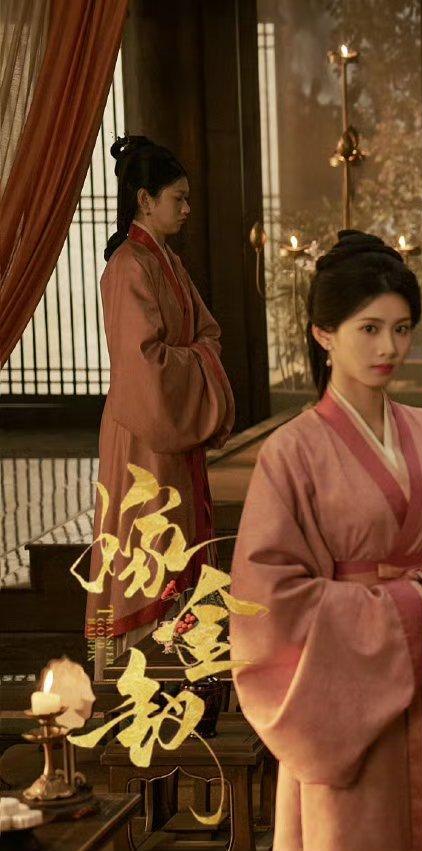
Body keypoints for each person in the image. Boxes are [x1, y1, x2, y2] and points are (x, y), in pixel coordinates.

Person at [233, 231, 422, 850]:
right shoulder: (291, 454)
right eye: (368, 329)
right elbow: (269, 598)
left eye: (401, 329)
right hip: (344, 706)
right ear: (323, 334)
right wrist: (410, 609)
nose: (389, 347)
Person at [85, 135, 235, 653]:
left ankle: (181, 665)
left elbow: (208, 334)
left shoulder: (166, 259)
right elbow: (143, 365)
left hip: (169, 419)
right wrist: (197, 358)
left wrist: (194, 355)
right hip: (144, 428)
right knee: (148, 541)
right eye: (179, 198)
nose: (188, 208)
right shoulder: (127, 266)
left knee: (176, 537)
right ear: (145, 200)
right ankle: (143, 669)